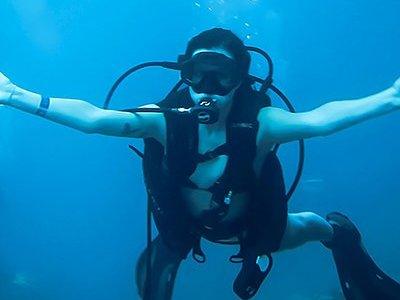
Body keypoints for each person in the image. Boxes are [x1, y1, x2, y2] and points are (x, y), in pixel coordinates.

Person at [1, 28, 399, 300]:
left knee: (308, 228)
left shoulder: (261, 125)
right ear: (184, 75)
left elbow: (318, 121)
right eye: (196, 75)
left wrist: (390, 98)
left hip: (249, 226)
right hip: (190, 226)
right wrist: (15, 94)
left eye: (220, 76)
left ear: (239, 81)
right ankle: (172, 249)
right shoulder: (162, 121)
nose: (207, 89)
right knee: (176, 241)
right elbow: (94, 119)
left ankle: (340, 232)